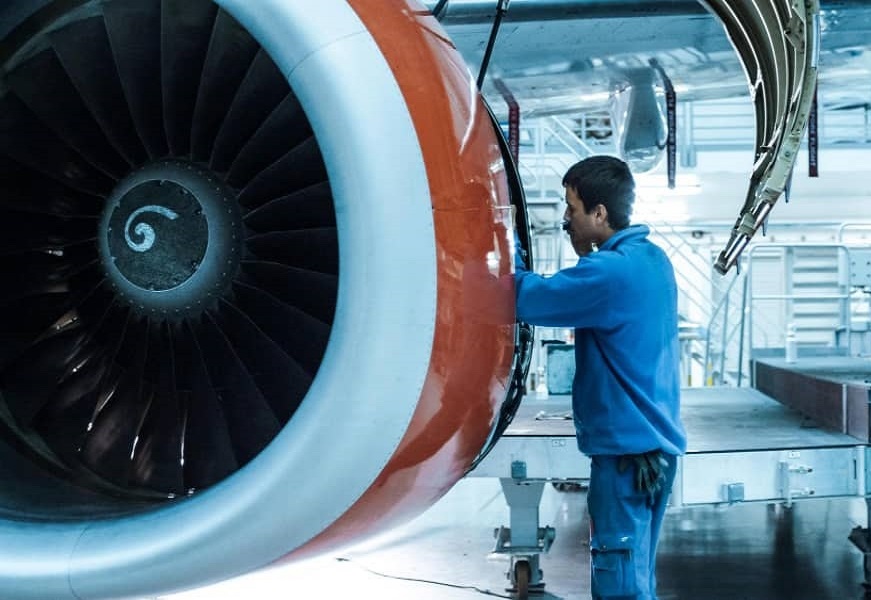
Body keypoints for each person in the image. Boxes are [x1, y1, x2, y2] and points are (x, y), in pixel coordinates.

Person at [514, 155, 686, 600]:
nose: (567, 221)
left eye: (572, 210)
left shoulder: (608, 272)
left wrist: (504, 247)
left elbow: (529, 299)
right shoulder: (651, 259)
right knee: (637, 572)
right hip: (655, 450)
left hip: (627, 458)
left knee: (618, 577)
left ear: (600, 213)